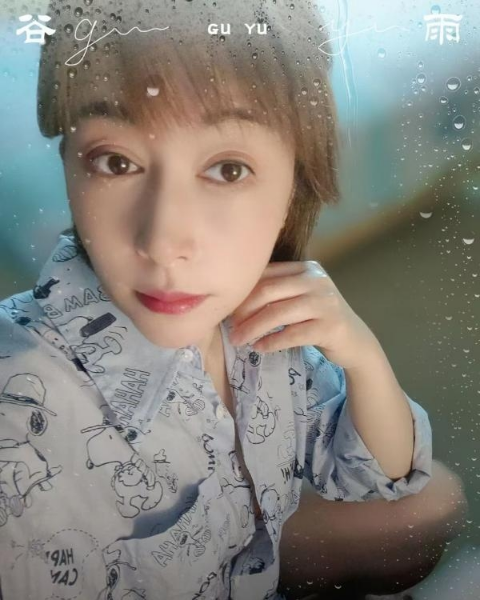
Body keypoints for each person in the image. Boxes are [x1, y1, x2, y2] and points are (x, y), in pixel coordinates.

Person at [0, 1, 466, 599]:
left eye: (227, 170)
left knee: (433, 503)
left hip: (251, 557)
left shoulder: (260, 321)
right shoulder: (21, 406)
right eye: (115, 162)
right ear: (68, 159)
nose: (163, 242)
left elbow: (380, 477)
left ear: (295, 183)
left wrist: (361, 355)